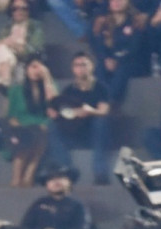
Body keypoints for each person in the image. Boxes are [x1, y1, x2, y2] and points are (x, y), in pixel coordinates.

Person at [47, 51, 113, 185]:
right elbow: (62, 109)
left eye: (84, 64)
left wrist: (90, 111)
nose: (80, 68)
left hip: (92, 133)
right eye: (77, 65)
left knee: (100, 122)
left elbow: (104, 111)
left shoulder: (100, 88)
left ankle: (100, 172)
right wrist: (59, 113)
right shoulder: (69, 90)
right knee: (52, 126)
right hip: (73, 131)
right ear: (73, 69)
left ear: (91, 66)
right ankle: (65, 170)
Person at [4, 52, 56, 187]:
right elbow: (11, 116)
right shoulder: (16, 90)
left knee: (41, 132)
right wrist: (18, 125)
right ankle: (17, 178)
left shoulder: (48, 87)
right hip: (21, 126)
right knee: (28, 135)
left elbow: (54, 105)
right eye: (33, 67)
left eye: (39, 67)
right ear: (26, 69)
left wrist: (47, 78)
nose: (36, 71)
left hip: (41, 125)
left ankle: (29, 175)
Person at [89, 0, 149, 109]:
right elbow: (98, 46)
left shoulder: (136, 21)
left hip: (133, 62)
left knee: (122, 69)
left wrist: (117, 59)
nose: (116, 2)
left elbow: (135, 47)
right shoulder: (103, 22)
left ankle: (109, 101)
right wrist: (106, 58)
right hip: (111, 61)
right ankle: (98, 100)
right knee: (99, 68)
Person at [20, 163, 93, 229]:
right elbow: (25, 228)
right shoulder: (38, 204)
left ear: (70, 181)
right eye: (51, 179)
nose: (56, 181)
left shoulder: (78, 205)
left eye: (60, 177)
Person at [0, 1, 43, 88]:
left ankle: (3, 81)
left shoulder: (35, 26)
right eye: (15, 9)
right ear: (11, 11)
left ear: (29, 10)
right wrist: (6, 43)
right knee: (3, 50)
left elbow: (36, 50)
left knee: (3, 54)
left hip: (25, 61)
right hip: (6, 58)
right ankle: (5, 79)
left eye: (24, 8)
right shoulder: (6, 26)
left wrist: (13, 45)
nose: (19, 11)